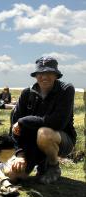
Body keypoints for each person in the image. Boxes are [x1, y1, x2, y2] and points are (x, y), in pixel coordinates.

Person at [6, 56, 76, 184]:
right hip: (31, 143)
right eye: (41, 73)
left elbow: (57, 123)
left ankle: (53, 166)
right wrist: (20, 154)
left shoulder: (66, 90)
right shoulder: (27, 93)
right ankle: (39, 163)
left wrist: (23, 121)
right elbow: (14, 128)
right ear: (36, 75)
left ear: (56, 75)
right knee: (12, 175)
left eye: (49, 73)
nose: (44, 77)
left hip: (59, 139)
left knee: (44, 134)